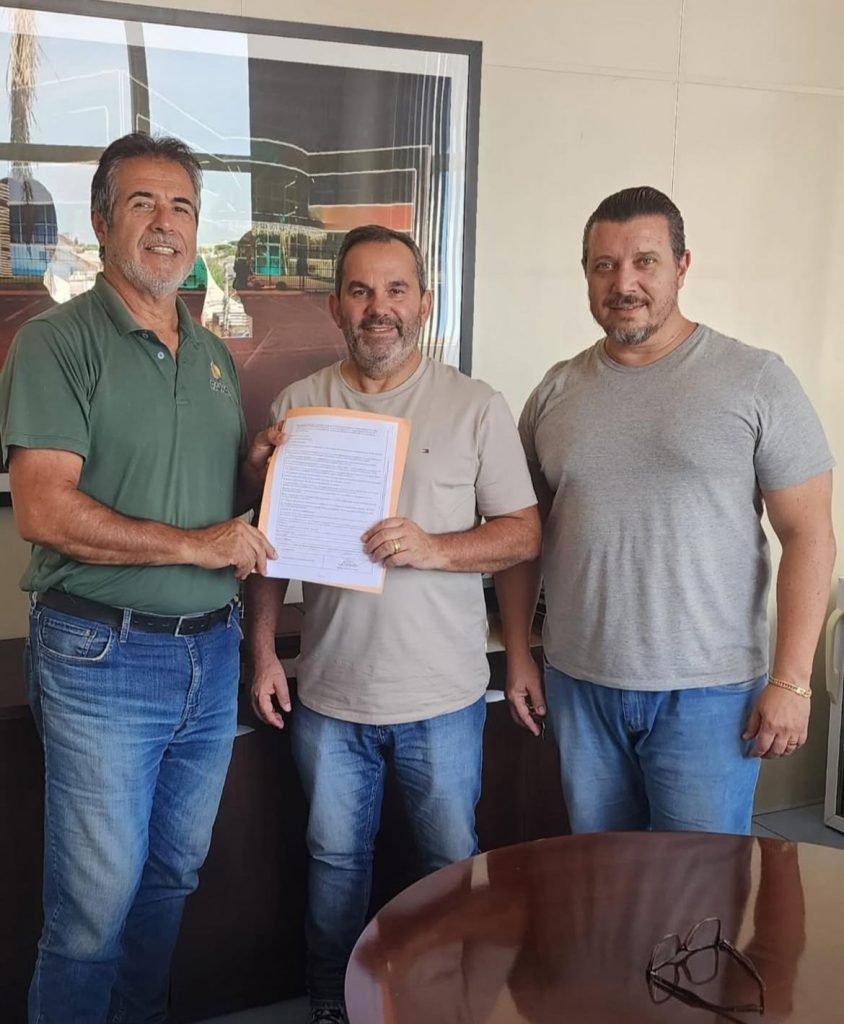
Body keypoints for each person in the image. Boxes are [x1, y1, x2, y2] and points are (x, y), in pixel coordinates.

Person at [0, 132, 279, 1023]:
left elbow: (212, 506)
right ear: (101, 221)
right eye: (143, 203)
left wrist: (261, 472)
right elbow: (44, 510)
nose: (166, 224)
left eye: (182, 206)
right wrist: (196, 547)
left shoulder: (212, 355)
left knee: (172, 875)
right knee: (91, 912)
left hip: (212, 655)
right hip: (102, 656)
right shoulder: (56, 342)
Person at [248, 224, 540, 1024]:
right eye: (361, 290)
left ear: (425, 303)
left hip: (442, 698)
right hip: (330, 698)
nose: (380, 308)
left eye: (396, 289)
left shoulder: (476, 406)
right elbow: (270, 548)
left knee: (448, 869)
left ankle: (447, 1008)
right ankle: (331, 1007)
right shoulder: (297, 408)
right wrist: (263, 652)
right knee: (333, 869)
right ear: (335, 306)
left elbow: (523, 534)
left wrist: (437, 548)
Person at [496, 186, 835, 836]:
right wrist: (518, 654)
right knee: (602, 877)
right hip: (581, 686)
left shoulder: (756, 380)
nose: (624, 282)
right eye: (604, 265)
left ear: (682, 266)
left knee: (698, 887)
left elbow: (810, 534)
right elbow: (520, 537)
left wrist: (793, 683)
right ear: (586, 274)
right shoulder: (555, 391)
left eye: (645, 261)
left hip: (710, 696)